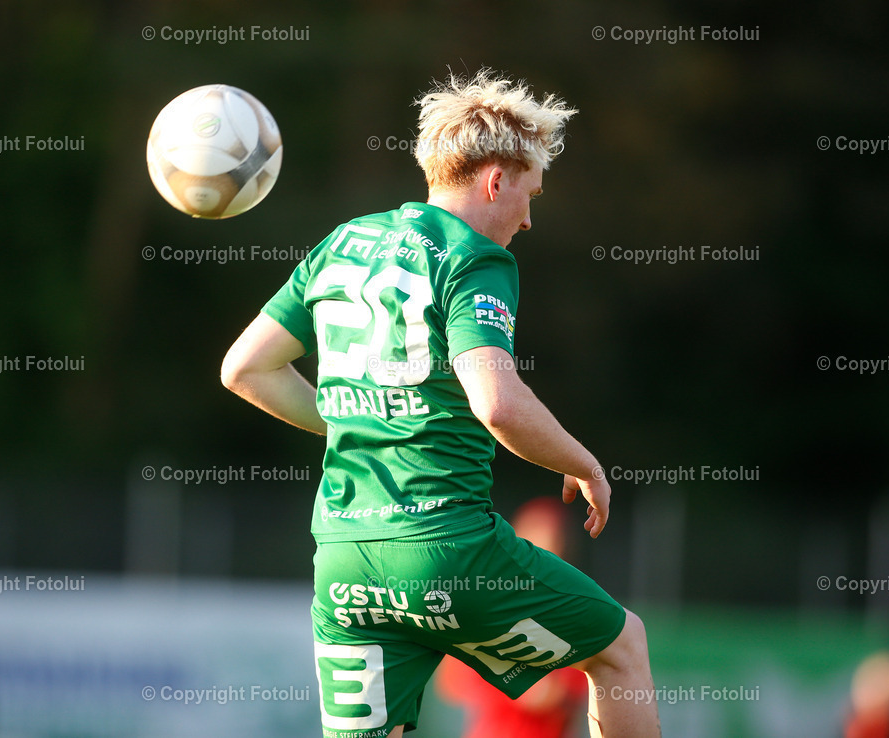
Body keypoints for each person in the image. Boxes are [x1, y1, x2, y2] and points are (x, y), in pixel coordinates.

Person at [221, 67, 660, 738]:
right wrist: (585, 463)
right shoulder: (474, 258)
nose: (529, 217)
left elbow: (246, 369)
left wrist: (357, 423)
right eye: (530, 194)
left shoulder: (342, 243)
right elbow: (499, 403)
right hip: (447, 552)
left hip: (345, 564)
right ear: (495, 180)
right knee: (622, 649)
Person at [435, 496, 590, 738]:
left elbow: (575, 687)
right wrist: (516, 687)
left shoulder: (575, 612)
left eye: (558, 542)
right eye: (537, 542)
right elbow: (451, 682)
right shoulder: (489, 604)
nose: (549, 552)